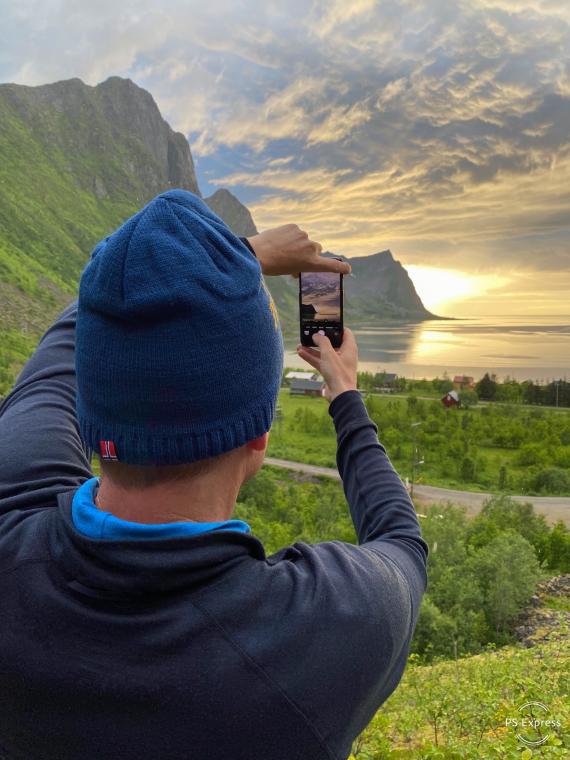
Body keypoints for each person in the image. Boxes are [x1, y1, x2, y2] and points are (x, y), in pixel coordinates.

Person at [0, 189, 428, 760]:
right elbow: (401, 540)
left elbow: (75, 337)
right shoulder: (327, 632)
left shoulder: (12, 511)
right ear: (259, 437)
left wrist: (240, 255)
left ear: (86, 411)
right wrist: (343, 394)